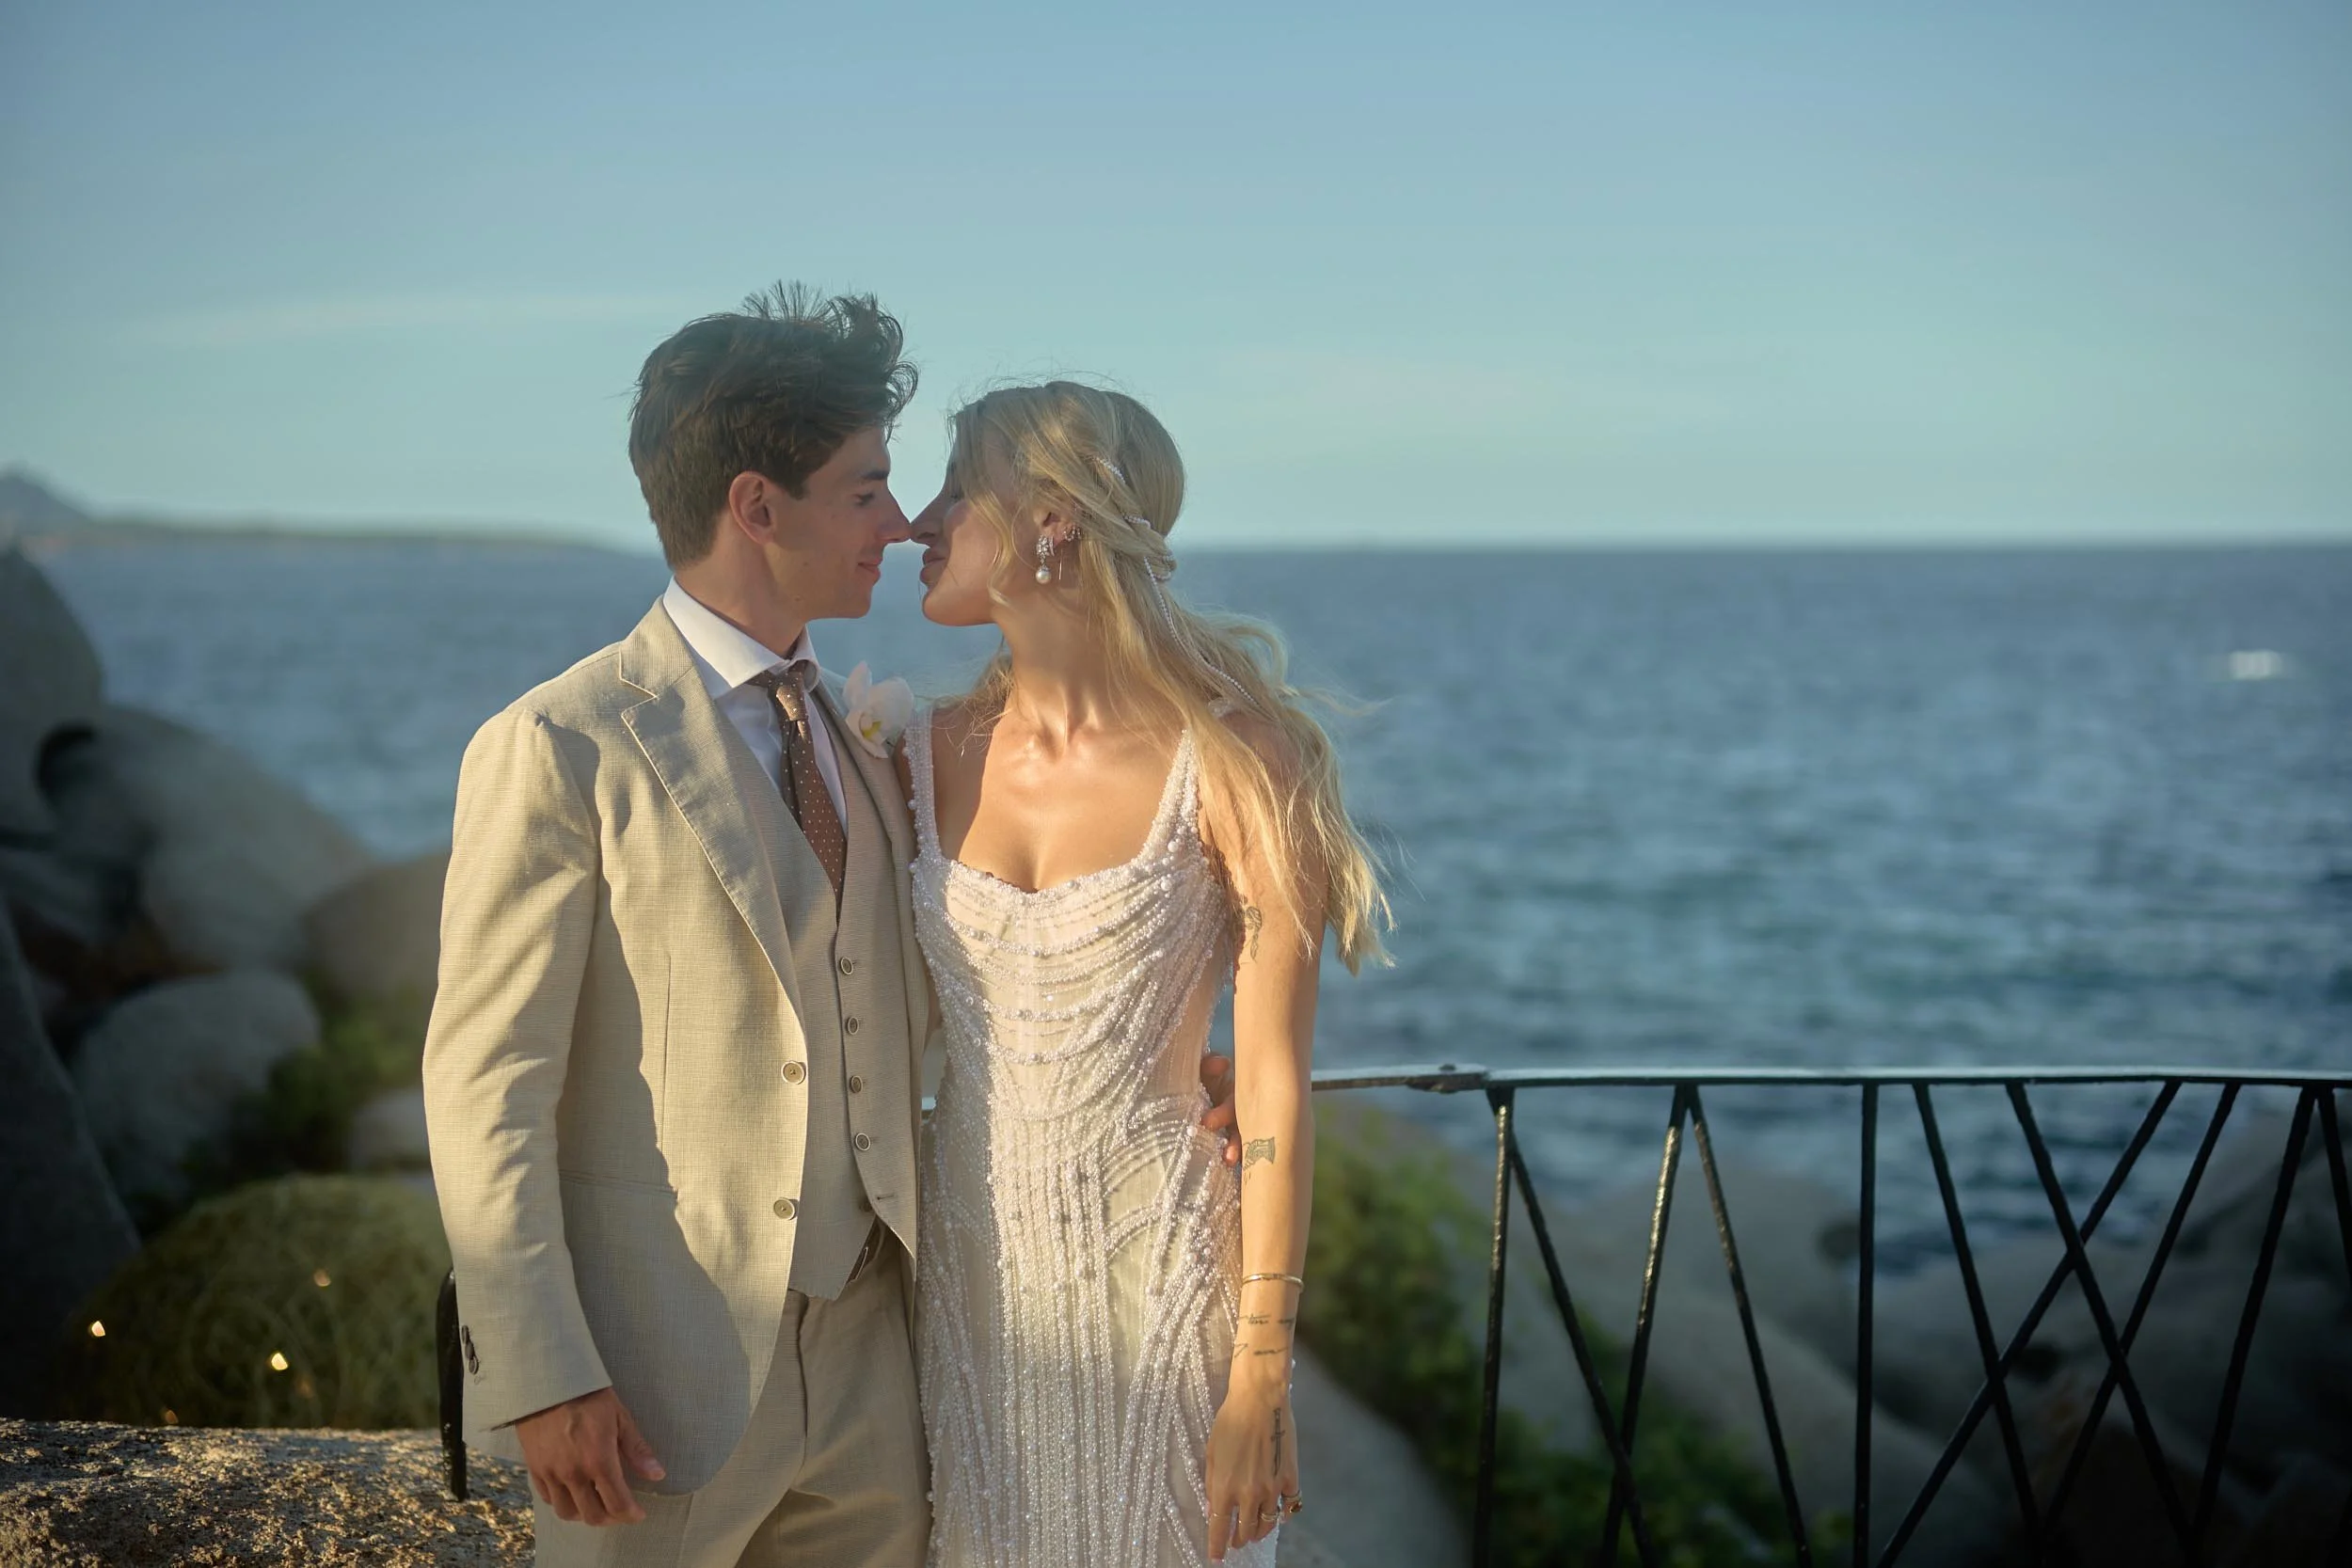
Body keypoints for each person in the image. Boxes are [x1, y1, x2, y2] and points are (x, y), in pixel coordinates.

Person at [422, 291, 1237, 1568]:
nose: (902, 521)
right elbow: (485, 1083)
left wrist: (1171, 1078)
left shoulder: (871, 748)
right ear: (758, 505)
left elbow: (985, 983)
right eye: (866, 489)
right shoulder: (562, 746)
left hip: (880, 1368)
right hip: (657, 1380)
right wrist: (538, 1368)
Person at [903, 382, 1389, 1566]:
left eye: (958, 488)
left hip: (1161, 1314)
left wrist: (1258, 1379)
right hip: (970, 1314)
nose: (919, 518)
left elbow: (1270, 1084)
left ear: (1052, 517)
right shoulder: (911, 753)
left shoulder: (1235, 760)